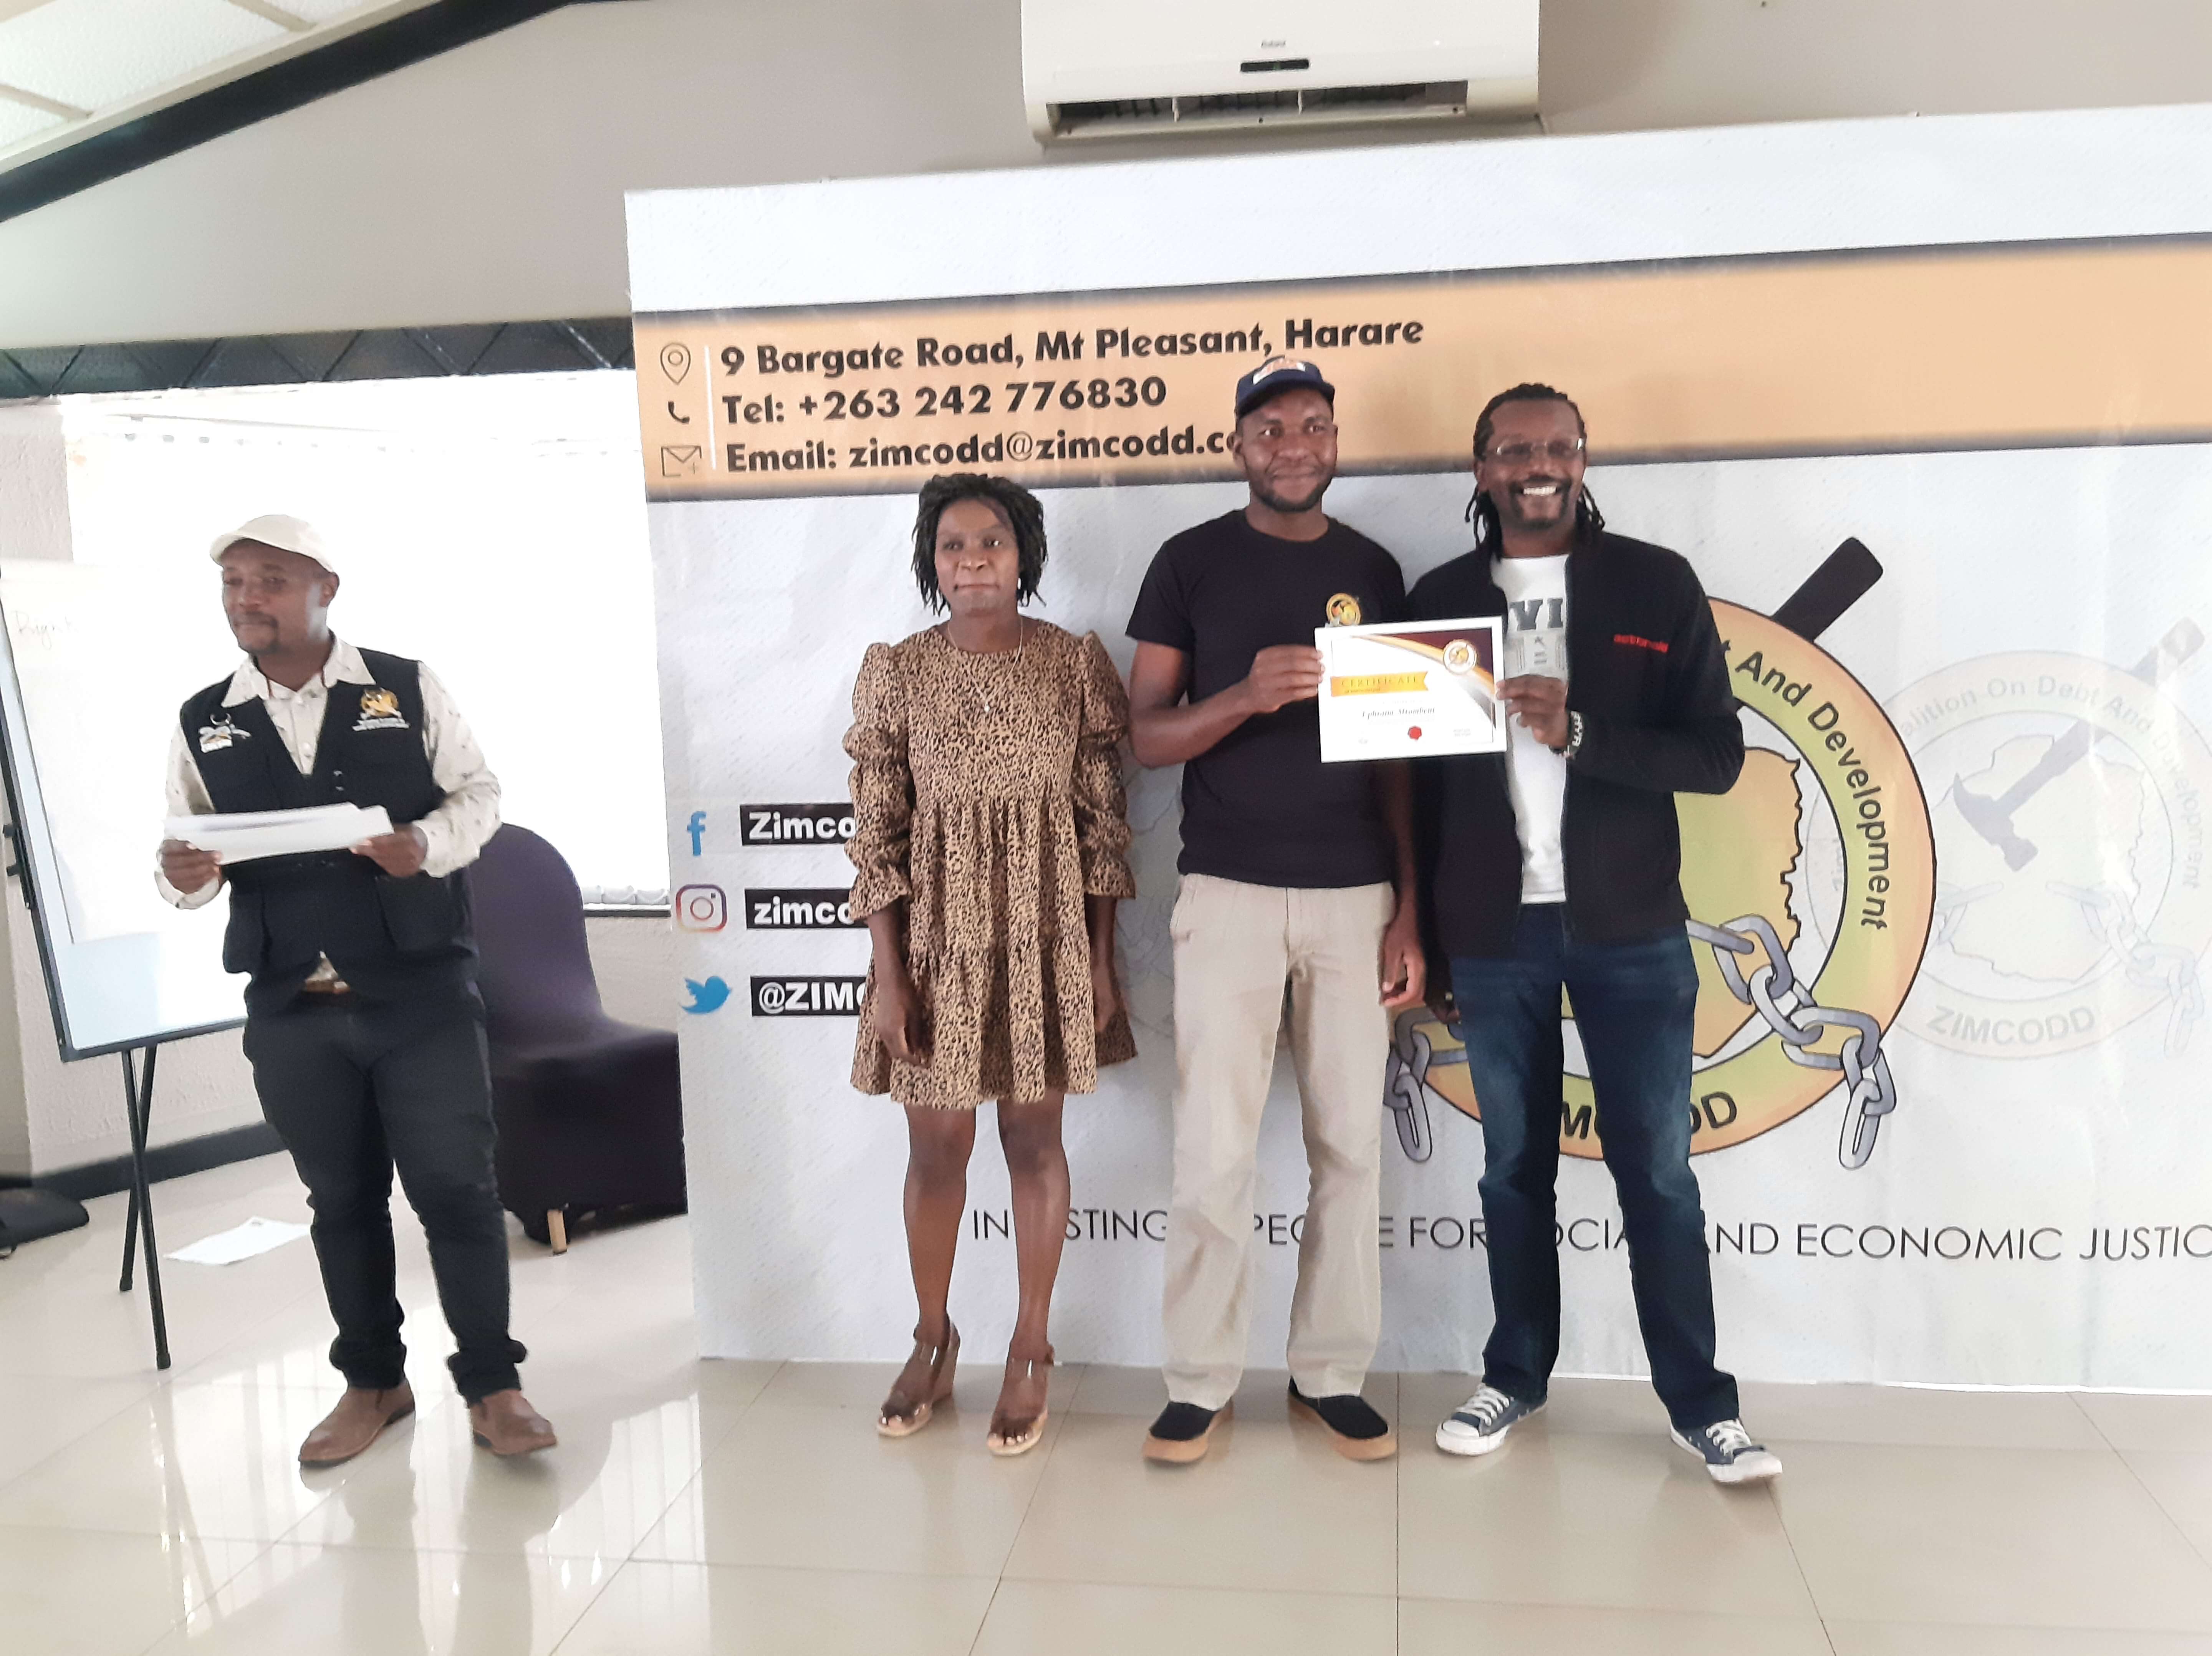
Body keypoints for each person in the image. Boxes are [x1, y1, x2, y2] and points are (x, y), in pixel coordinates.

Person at [1407, 384, 1781, 1484]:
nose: (1539, 463)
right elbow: (1415, 791)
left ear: (1584, 460)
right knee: (1510, 1171)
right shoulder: (1436, 601)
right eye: (1515, 447)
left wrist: (1582, 731)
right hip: (1493, 933)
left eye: (1559, 446)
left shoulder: (1655, 583)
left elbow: (1718, 756)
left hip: (1632, 932)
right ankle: (1515, 1376)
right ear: (1481, 469)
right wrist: (1429, 931)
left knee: (1657, 1175)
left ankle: (1702, 1406)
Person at [156, 514, 555, 1466]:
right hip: (292, 1004)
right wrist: (182, 878)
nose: (247, 597)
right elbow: (186, 847)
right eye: (234, 582)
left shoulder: (404, 686)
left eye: (270, 578)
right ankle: (374, 1382)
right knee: (339, 1198)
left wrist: (425, 845)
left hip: (418, 992)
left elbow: (480, 793)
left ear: (324, 587)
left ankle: (494, 1385)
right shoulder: (204, 716)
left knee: (455, 1187)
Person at [1125, 357, 1424, 1465]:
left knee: (1350, 1146)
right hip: (1229, 893)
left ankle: (1329, 1374)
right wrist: (1246, 696)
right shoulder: (1189, 562)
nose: (1293, 444)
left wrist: (1409, 908)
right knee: (1214, 1152)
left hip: (1358, 900)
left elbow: (1401, 756)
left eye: (1312, 425)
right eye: (1270, 428)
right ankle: (1199, 1381)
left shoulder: (1374, 568)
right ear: (1239, 445)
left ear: (1335, 440)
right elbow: (1143, 736)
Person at [847, 472, 1136, 1457]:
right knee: (937, 1149)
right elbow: (877, 836)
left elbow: (1103, 830)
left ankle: (1031, 1345)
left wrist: (1100, 962)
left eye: (993, 541)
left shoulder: (1073, 665)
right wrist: (889, 974)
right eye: (953, 545)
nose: (973, 559)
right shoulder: (897, 671)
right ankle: (933, 1337)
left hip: (1045, 938)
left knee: (1034, 1142)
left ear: (1025, 557)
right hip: (934, 948)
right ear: (932, 563)